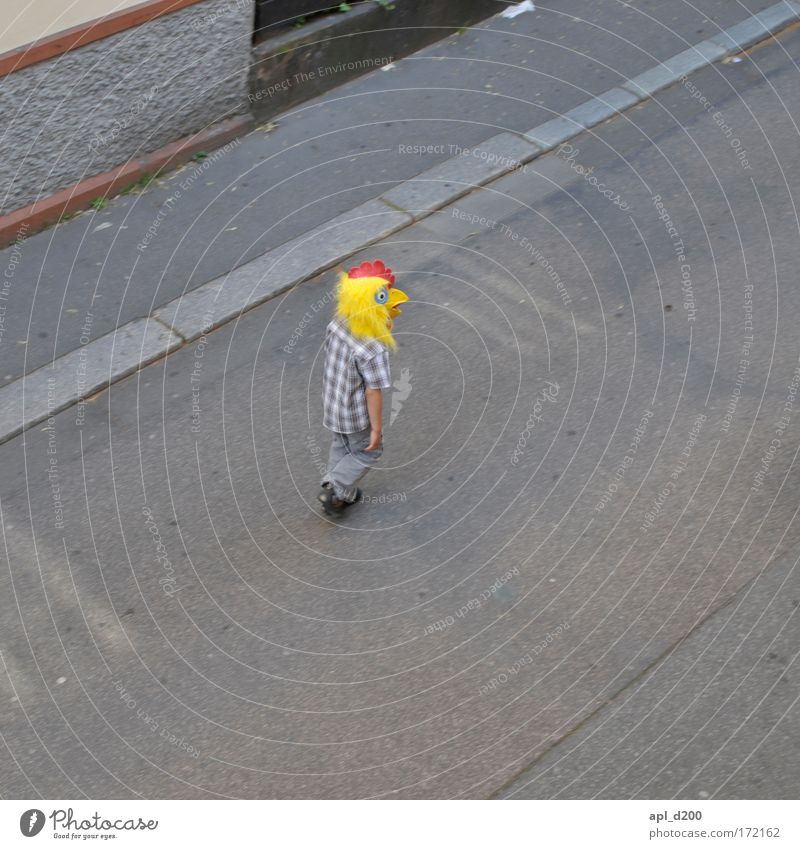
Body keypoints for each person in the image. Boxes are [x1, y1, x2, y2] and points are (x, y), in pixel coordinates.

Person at [318, 259, 408, 516]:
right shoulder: (373, 348)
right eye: (383, 296)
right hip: (355, 413)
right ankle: (335, 487)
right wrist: (377, 429)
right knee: (369, 451)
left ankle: (339, 494)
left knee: (341, 444)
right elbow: (373, 390)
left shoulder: (338, 323)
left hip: (333, 401)